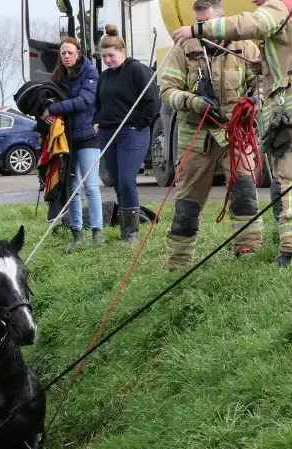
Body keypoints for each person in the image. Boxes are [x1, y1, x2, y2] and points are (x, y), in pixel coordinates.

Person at [174, 0, 292, 267]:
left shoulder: (279, 5)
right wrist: (263, 66)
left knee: (290, 178)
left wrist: (197, 31)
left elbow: (250, 24)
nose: (254, 2)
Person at [159, 0, 263, 269]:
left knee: (245, 194)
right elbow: (167, 91)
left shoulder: (246, 47)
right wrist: (193, 102)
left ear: (221, 19)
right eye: (198, 24)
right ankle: (177, 265)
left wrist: (254, 104)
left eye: (206, 24)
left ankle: (248, 253)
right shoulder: (183, 49)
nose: (200, 29)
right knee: (187, 207)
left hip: (235, 135)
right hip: (197, 140)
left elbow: (262, 86)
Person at [94, 24, 160, 244]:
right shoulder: (104, 77)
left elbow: (153, 101)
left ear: (122, 52)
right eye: (104, 56)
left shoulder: (137, 70)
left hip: (131, 134)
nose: (108, 60)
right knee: (115, 180)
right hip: (108, 133)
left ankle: (131, 233)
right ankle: (125, 228)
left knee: (126, 180)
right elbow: (97, 104)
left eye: (111, 55)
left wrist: (139, 125)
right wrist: (96, 121)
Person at [44, 36, 103, 252]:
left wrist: (54, 109)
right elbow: (47, 97)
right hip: (66, 139)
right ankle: (77, 234)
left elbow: (85, 101)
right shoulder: (57, 76)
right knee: (72, 187)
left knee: (90, 186)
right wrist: (44, 110)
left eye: (70, 52)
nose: (66, 56)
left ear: (78, 52)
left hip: (88, 136)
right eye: (63, 53)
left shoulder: (90, 72)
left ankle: (97, 232)